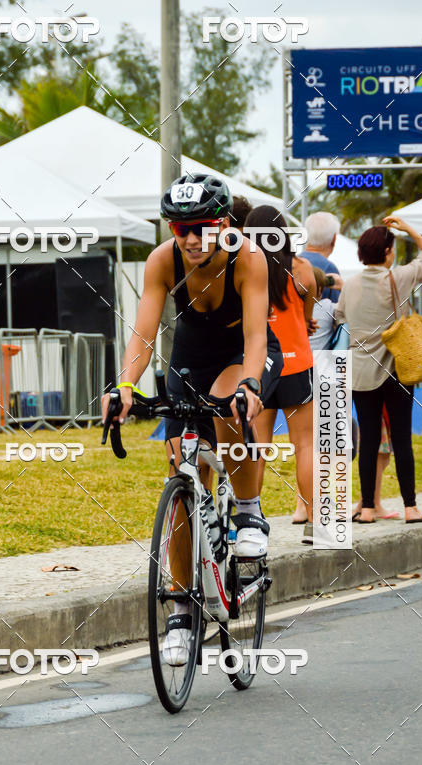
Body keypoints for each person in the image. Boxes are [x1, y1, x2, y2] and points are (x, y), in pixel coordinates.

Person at [101, 173, 283, 666]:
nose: (193, 238)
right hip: (189, 358)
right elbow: (142, 334)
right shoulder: (163, 261)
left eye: (203, 227)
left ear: (224, 224)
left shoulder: (248, 257)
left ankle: (248, 509)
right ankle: (181, 610)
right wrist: (124, 387)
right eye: (182, 229)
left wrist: (249, 387)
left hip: (245, 354)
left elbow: (253, 336)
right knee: (179, 471)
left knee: (228, 402)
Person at [335, 216, 422, 524]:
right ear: (389, 252)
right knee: (401, 437)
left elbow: (340, 318)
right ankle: (410, 508)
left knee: (368, 439)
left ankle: (367, 508)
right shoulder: (400, 278)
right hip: (396, 371)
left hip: (361, 374)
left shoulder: (350, 284)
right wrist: (409, 229)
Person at [245, 205, 317, 544]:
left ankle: (248, 524)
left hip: (258, 367)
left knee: (256, 447)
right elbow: (308, 306)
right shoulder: (301, 269)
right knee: (304, 445)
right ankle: (315, 524)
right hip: (296, 364)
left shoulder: (241, 268)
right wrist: (304, 319)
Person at [301, 212, 343, 349]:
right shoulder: (330, 268)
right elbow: (340, 316)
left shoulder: (294, 264)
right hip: (322, 354)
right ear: (334, 239)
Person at [352, 405, 400, 521]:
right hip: (380, 403)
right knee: (379, 454)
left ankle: (368, 503)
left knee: (381, 455)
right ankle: (370, 505)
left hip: (375, 402)